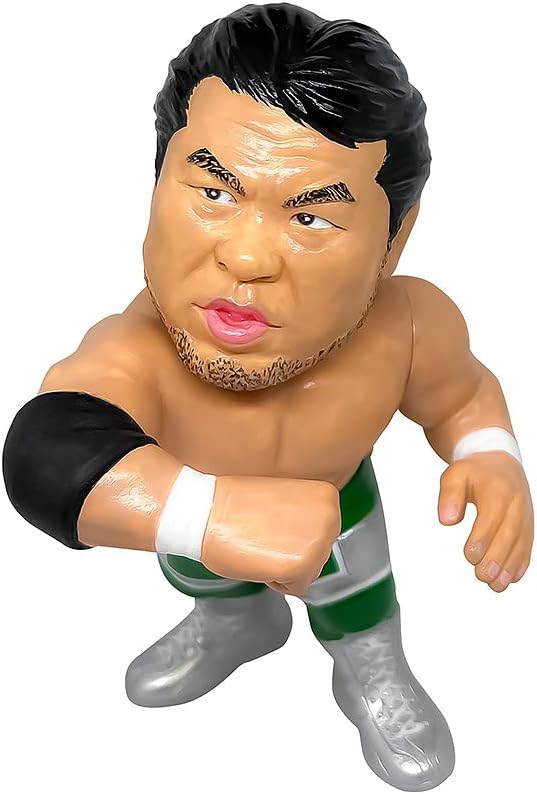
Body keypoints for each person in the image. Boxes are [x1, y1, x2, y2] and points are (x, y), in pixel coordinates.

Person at [3, 4, 533, 791]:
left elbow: (462, 395)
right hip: (190, 519)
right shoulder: (135, 352)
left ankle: (369, 667)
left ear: (393, 240)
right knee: (206, 581)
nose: (248, 257)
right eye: (213, 193)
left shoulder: (409, 326)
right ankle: (235, 621)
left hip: (340, 503)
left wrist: (489, 454)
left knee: (360, 605)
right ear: (156, 186)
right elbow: (49, 453)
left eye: (311, 216)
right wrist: (207, 516)